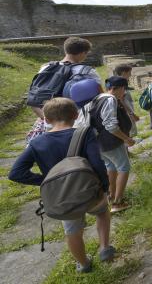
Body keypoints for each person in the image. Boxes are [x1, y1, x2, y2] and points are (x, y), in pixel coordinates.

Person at [9, 98, 114, 273]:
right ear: (76, 114)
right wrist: (104, 187)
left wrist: (46, 180)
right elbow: (97, 163)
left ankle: (83, 264)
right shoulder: (84, 133)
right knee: (102, 212)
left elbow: (16, 173)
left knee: (72, 229)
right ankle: (104, 247)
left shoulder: (37, 143)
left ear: (46, 120)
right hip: (90, 190)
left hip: (62, 196)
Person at [26, 37, 102, 144]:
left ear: (66, 50)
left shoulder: (46, 67)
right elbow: (100, 98)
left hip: (50, 122)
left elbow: (34, 96)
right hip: (77, 124)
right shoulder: (88, 71)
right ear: (83, 53)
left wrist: (50, 120)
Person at [89, 76, 135, 213]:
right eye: (124, 89)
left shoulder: (99, 98)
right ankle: (117, 202)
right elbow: (111, 126)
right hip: (111, 142)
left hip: (99, 143)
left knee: (111, 167)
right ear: (119, 88)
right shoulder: (110, 100)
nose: (125, 93)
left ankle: (110, 195)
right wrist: (126, 139)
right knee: (124, 167)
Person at [113, 64, 139, 138]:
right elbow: (121, 101)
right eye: (129, 73)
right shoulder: (120, 85)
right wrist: (132, 114)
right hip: (125, 113)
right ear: (124, 72)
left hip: (124, 112)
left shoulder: (116, 82)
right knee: (128, 131)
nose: (130, 75)